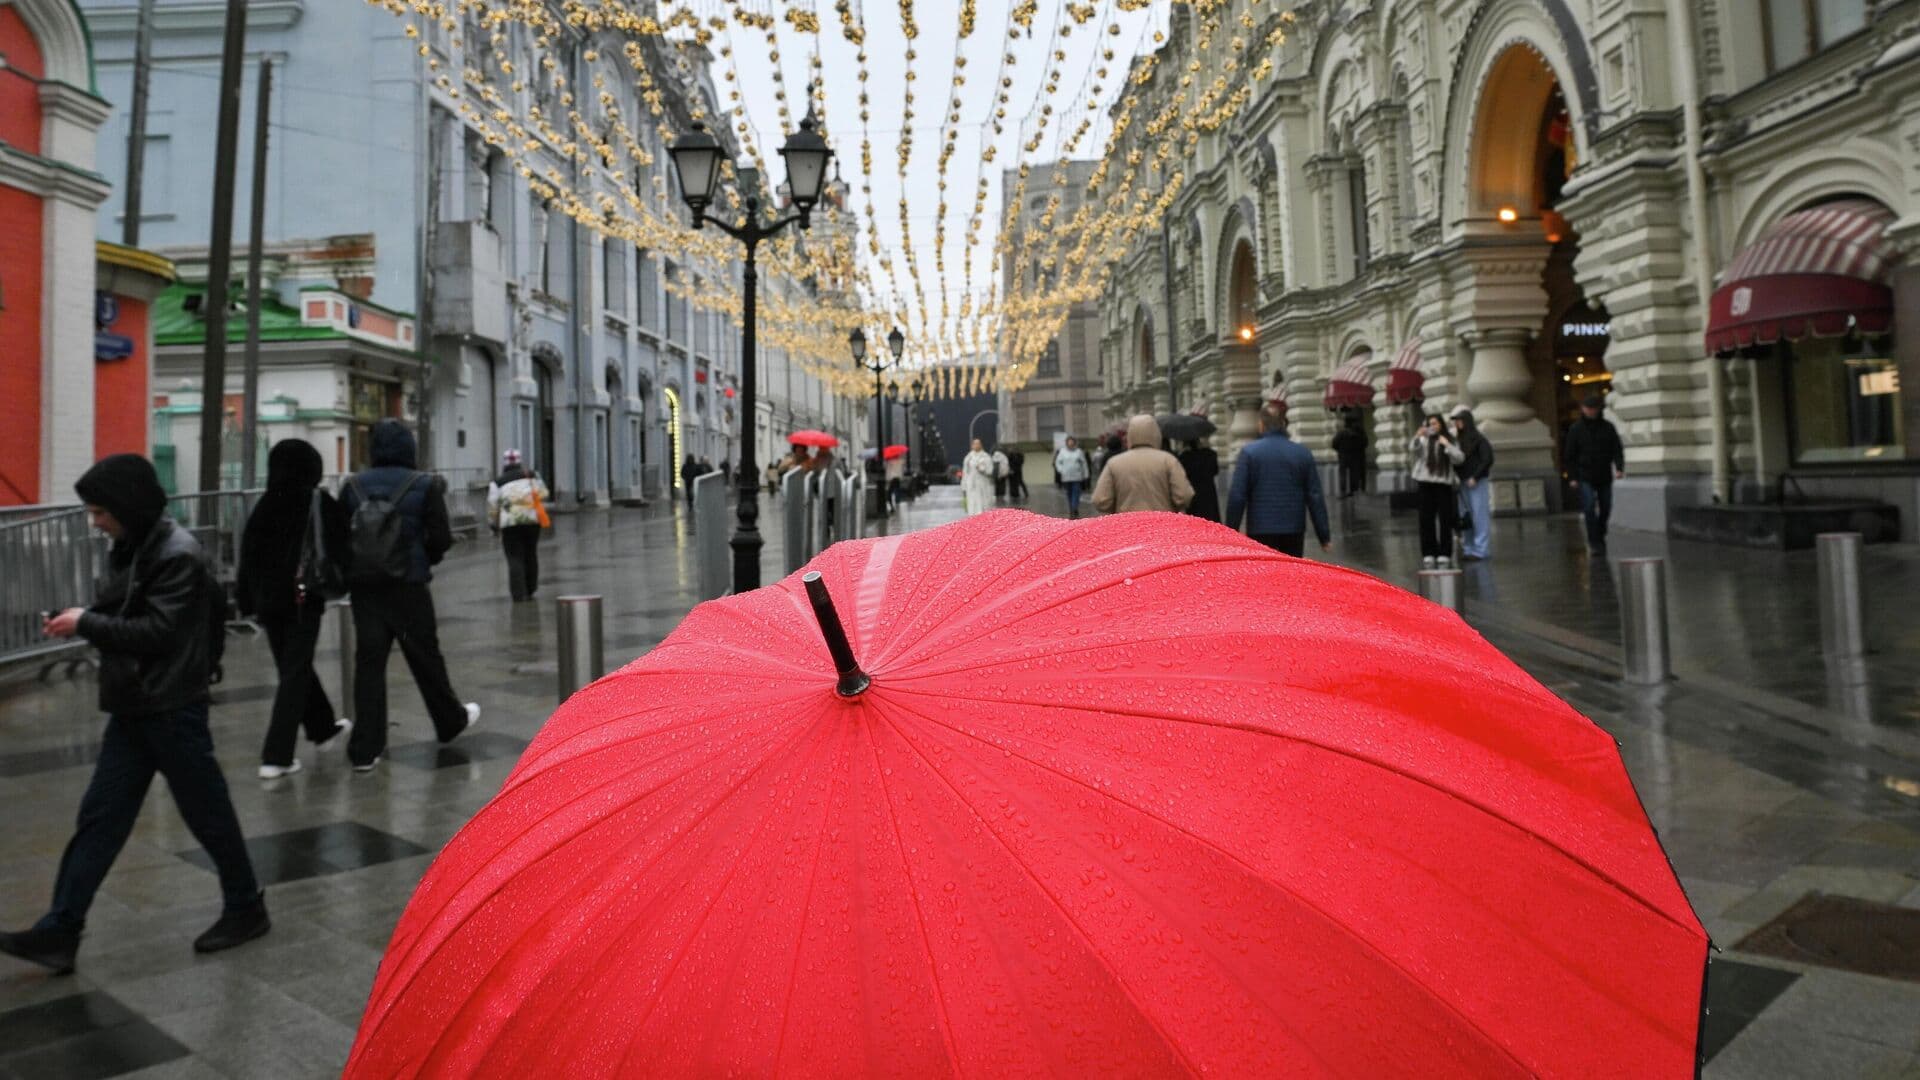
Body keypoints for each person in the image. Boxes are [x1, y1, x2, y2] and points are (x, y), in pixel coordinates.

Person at [1, 455, 268, 973]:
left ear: (127, 506)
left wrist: (87, 623)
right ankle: (60, 930)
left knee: (206, 813)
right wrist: (80, 620)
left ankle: (245, 906)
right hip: (137, 705)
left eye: (101, 511)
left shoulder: (177, 554)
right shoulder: (136, 545)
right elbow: (131, 616)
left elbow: (158, 633)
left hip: (170, 707)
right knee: (100, 819)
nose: (94, 522)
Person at [339, 420, 478, 772]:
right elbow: (441, 537)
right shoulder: (423, 484)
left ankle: (365, 750)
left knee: (369, 664)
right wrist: (422, 558)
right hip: (410, 587)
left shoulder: (352, 487)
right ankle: (449, 720)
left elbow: (342, 537)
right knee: (425, 657)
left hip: (366, 590)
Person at [236, 439, 351, 779]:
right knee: (294, 671)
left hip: (268, 603)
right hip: (304, 599)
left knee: (293, 665)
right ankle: (277, 755)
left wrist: (246, 602)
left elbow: (248, 557)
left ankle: (322, 728)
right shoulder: (319, 502)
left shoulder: (265, 505)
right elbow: (342, 546)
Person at [1225, 403, 1332, 557]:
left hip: (1260, 529)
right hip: (1293, 528)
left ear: (1261, 425)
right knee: (1290, 574)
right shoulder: (1302, 453)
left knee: (1266, 575)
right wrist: (1324, 535)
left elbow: (1237, 496)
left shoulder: (1249, 453)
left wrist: (1231, 531)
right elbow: (1314, 496)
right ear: (1283, 424)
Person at [1092, 415, 1194, 514]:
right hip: (1163, 524)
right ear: (1156, 434)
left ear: (1130, 435)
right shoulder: (1168, 460)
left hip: (1128, 525)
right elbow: (1184, 495)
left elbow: (1100, 500)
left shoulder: (1114, 463)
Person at [1564, 393, 1625, 555]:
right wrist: (1572, 477)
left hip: (1604, 473)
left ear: (1598, 409)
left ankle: (1600, 531)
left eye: (1593, 408)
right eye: (1588, 408)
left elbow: (1616, 449)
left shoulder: (1608, 428)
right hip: (1585, 475)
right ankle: (1594, 541)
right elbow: (1570, 455)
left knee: (1606, 507)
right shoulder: (1576, 429)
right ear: (1583, 409)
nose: (1591, 411)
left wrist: (1619, 468)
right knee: (1589, 506)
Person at [486, 449, 550, 602]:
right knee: (530, 553)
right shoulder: (532, 475)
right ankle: (531, 588)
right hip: (532, 521)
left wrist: (493, 525)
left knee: (514, 557)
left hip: (510, 523)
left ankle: (518, 593)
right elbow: (544, 494)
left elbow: (492, 506)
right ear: (520, 462)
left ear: (505, 463)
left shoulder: (497, 482)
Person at [1409, 413, 1465, 568]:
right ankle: (1428, 553)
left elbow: (1460, 458)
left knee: (1445, 519)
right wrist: (1417, 436)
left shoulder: (1449, 439)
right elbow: (1413, 449)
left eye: (1434, 423)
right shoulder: (1424, 439)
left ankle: (1444, 553)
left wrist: (1447, 445)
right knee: (1426, 519)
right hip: (1425, 483)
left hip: (1443, 484)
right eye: (1429, 424)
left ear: (1441, 424)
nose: (1432, 426)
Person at [1450, 406, 1495, 561]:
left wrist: (1476, 476)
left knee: (1479, 515)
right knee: (1466, 517)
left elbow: (1487, 459)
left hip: (1476, 482)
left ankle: (1481, 549)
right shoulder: (1458, 440)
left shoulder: (1479, 439)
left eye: (1460, 420)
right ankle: (1469, 548)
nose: (1457, 424)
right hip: (1463, 483)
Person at [1178, 438, 1222, 523]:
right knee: (1211, 520)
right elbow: (1215, 471)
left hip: (1194, 495)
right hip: (1209, 494)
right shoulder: (1210, 455)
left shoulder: (1184, 457)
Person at [1054, 436, 1091, 518]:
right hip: (1066, 476)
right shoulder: (1062, 452)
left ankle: (1074, 507)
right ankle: (1071, 507)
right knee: (1069, 493)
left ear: (1074, 443)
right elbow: (1058, 462)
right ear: (1067, 443)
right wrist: (1061, 470)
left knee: (1076, 492)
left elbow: (1084, 464)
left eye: (1072, 442)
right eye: (1069, 442)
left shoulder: (1078, 452)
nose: (1070, 443)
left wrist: (1086, 474)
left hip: (1077, 476)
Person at [1331, 415, 1367, 497]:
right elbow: (1365, 443)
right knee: (1354, 474)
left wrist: (1340, 450)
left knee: (1343, 474)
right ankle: (1353, 491)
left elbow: (1334, 444)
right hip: (1355, 457)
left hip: (1343, 456)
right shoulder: (1359, 433)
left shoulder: (1341, 433)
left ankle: (1343, 491)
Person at [961, 438, 997, 516]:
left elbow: (990, 471)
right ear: (972, 446)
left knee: (983, 505)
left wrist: (982, 469)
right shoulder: (968, 458)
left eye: (978, 443)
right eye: (975, 444)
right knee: (972, 504)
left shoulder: (986, 456)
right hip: (971, 485)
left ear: (981, 445)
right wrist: (963, 485)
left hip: (983, 485)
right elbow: (965, 472)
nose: (976, 445)